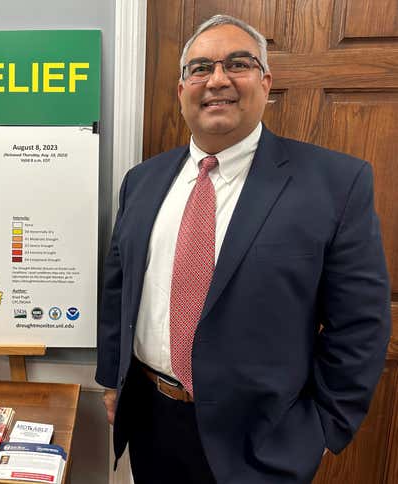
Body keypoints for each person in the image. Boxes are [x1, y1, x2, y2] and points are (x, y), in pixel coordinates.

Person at [95, 14, 391, 484]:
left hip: (264, 440)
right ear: (181, 89)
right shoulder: (143, 181)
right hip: (153, 421)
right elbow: (119, 287)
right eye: (200, 68)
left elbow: (360, 324)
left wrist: (322, 426)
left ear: (265, 80)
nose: (217, 80)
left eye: (238, 63)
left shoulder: (334, 184)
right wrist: (112, 382)